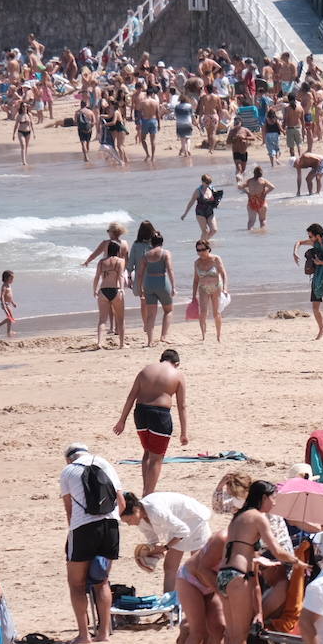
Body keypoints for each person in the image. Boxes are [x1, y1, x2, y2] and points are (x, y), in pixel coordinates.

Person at [220, 481, 303, 644]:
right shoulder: (258, 517)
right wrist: (298, 562)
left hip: (224, 575)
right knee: (239, 636)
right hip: (239, 576)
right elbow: (277, 550)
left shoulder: (238, 517)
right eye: (273, 498)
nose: (274, 503)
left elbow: (242, 550)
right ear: (264, 497)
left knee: (230, 635)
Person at [60, 443, 123, 644]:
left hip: (83, 528)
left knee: (76, 583)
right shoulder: (105, 463)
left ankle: (84, 634)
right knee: (101, 580)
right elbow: (121, 503)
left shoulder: (68, 471)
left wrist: (72, 536)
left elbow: (70, 510)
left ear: (70, 458)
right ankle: (104, 633)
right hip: (111, 526)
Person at [112, 349, 189, 496]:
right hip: (160, 415)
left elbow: (131, 397)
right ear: (177, 363)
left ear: (161, 359)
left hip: (140, 413)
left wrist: (121, 421)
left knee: (147, 452)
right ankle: (149, 495)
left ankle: (145, 490)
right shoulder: (177, 375)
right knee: (156, 457)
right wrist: (184, 433)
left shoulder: (145, 370)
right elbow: (182, 405)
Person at [119, 490, 210, 594]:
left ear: (136, 510)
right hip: (177, 525)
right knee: (169, 567)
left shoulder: (155, 511)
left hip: (194, 519)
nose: (129, 524)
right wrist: (153, 551)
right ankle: (168, 603)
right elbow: (153, 540)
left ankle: (205, 599)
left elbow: (183, 530)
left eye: (129, 520)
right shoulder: (141, 520)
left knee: (198, 566)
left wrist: (166, 547)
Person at [294, 223, 323, 339]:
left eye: (310, 236)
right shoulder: (314, 243)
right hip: (316, 278)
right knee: (315, 308)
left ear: (318, 235)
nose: (309, 239)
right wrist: (295, 252)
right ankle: (321, 328)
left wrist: (321, 263)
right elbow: (299, 242)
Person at [139, 232, 177, 347]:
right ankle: (163, 337)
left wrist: (140, 287)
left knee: (151, 314)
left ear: (151, 242)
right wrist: (174, 286)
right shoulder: (166, 253)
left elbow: (140, 274)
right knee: (168, 310)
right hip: (161, 282)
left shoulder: (146, 255)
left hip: (149, 283)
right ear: (162, 242)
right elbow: (170, 269)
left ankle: (150, 341)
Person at [182, 174, 222, 242]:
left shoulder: (211, 188)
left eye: (209, 183)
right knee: (205, 231)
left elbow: (217, 198)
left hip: (210, 212)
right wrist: (185, 214)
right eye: (207, 183)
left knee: (214, 230)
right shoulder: (198, 191)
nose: (208, 185)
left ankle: (203, 242)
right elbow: (191, 202)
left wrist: (218, 203)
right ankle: (202, 245)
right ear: (202, 182)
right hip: (200, 212)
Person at [0, 269, 17, 338]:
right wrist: (4, 304)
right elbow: (2, 296)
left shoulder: (9, 285)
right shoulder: (4, 286)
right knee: (10, 318)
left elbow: (9, 296)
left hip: (8, 303)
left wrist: (13, 303)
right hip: (5, 304)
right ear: (6, 278)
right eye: (11, 278)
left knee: (10, 318)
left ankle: (9, 331)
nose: (12, 280)